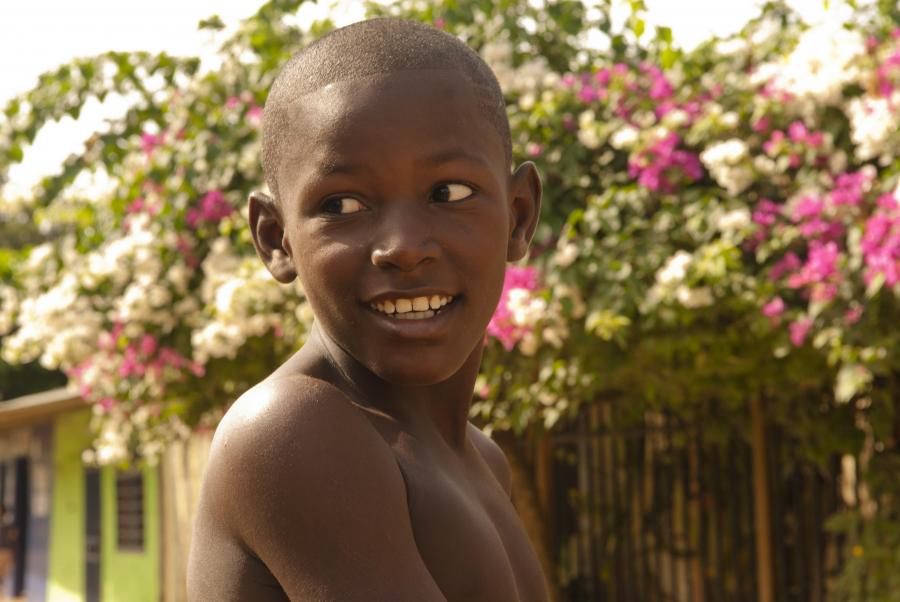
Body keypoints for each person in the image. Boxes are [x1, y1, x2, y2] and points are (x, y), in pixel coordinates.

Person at [188, 17, 547, 601]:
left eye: (448, 193)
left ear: (520, 215)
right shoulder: (293, 433)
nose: (403, 247)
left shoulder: (481, 460)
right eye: (344, 203)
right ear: (277, 240)